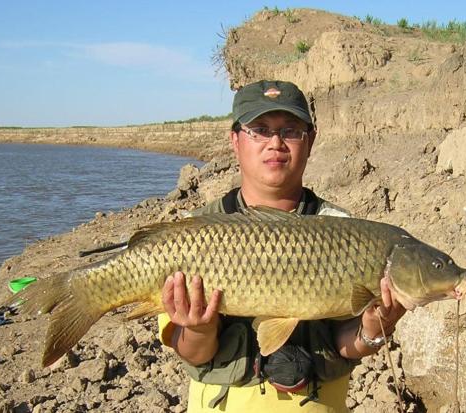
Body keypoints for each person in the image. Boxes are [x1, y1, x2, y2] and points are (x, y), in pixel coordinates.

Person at [157, 80, 407, 412]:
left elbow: (346, 344)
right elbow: (192, 352)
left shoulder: (345, 231)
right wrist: (200, 329)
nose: (275, 143)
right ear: (235, 140)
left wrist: (375, 329)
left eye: (290, 130)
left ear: (311, 139)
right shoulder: (193, 234)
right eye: (259, 130)